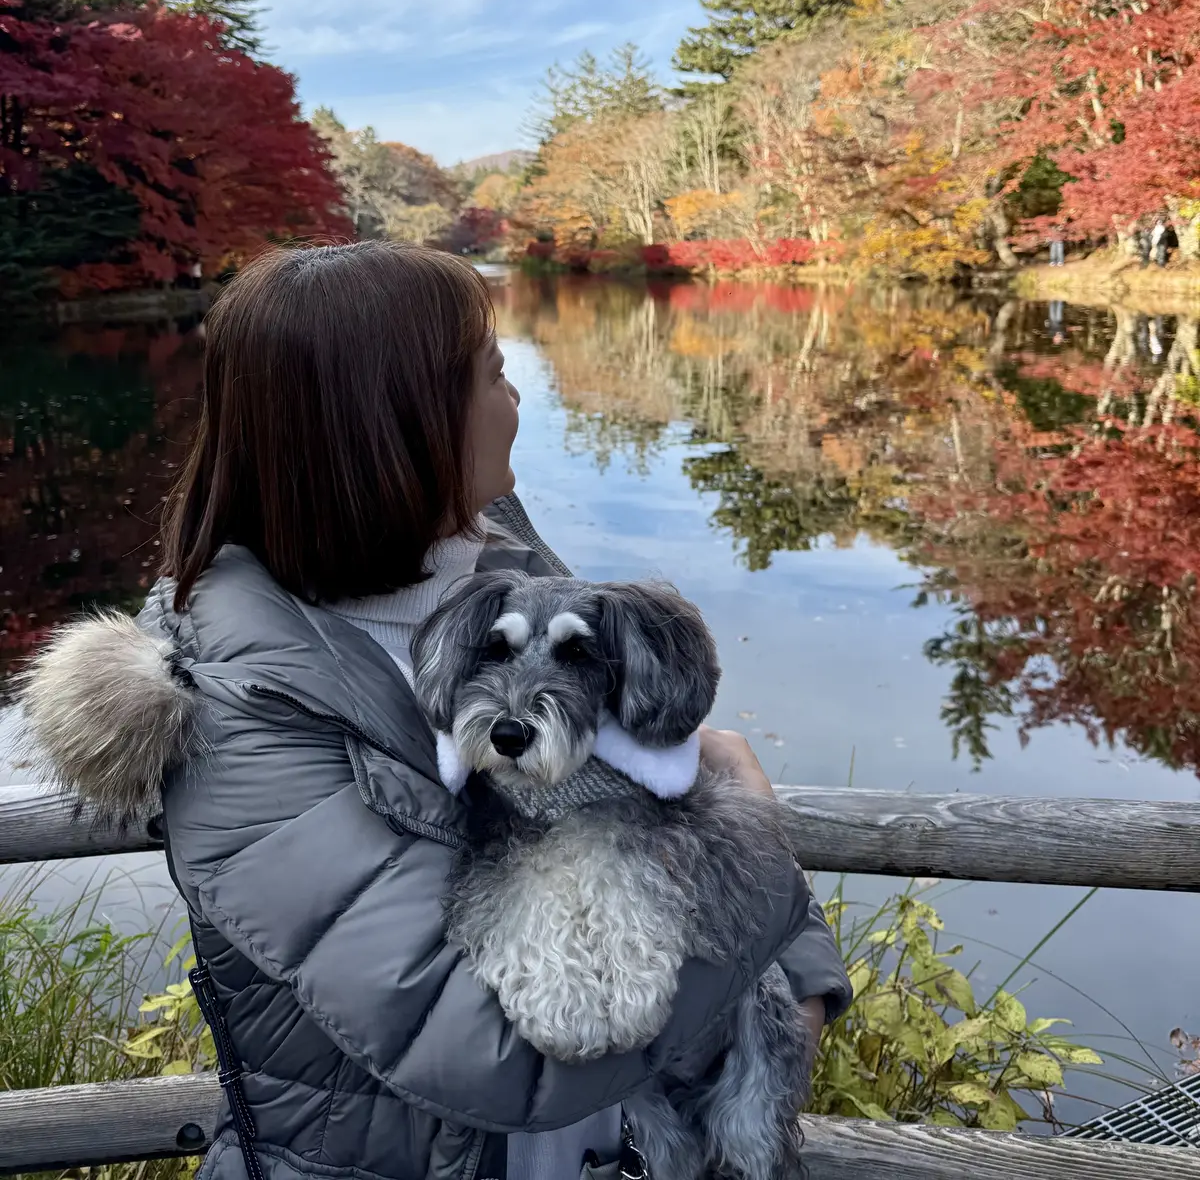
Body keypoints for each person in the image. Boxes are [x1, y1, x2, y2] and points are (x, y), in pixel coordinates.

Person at [23, 242, 850, 1180]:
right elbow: (505, 1061)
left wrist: (800, 985)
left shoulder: (500, 568)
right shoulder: (234, 710)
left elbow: (673, 793)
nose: (517, 400)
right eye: (494, 374)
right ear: (396, 423)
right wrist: (765, 884)